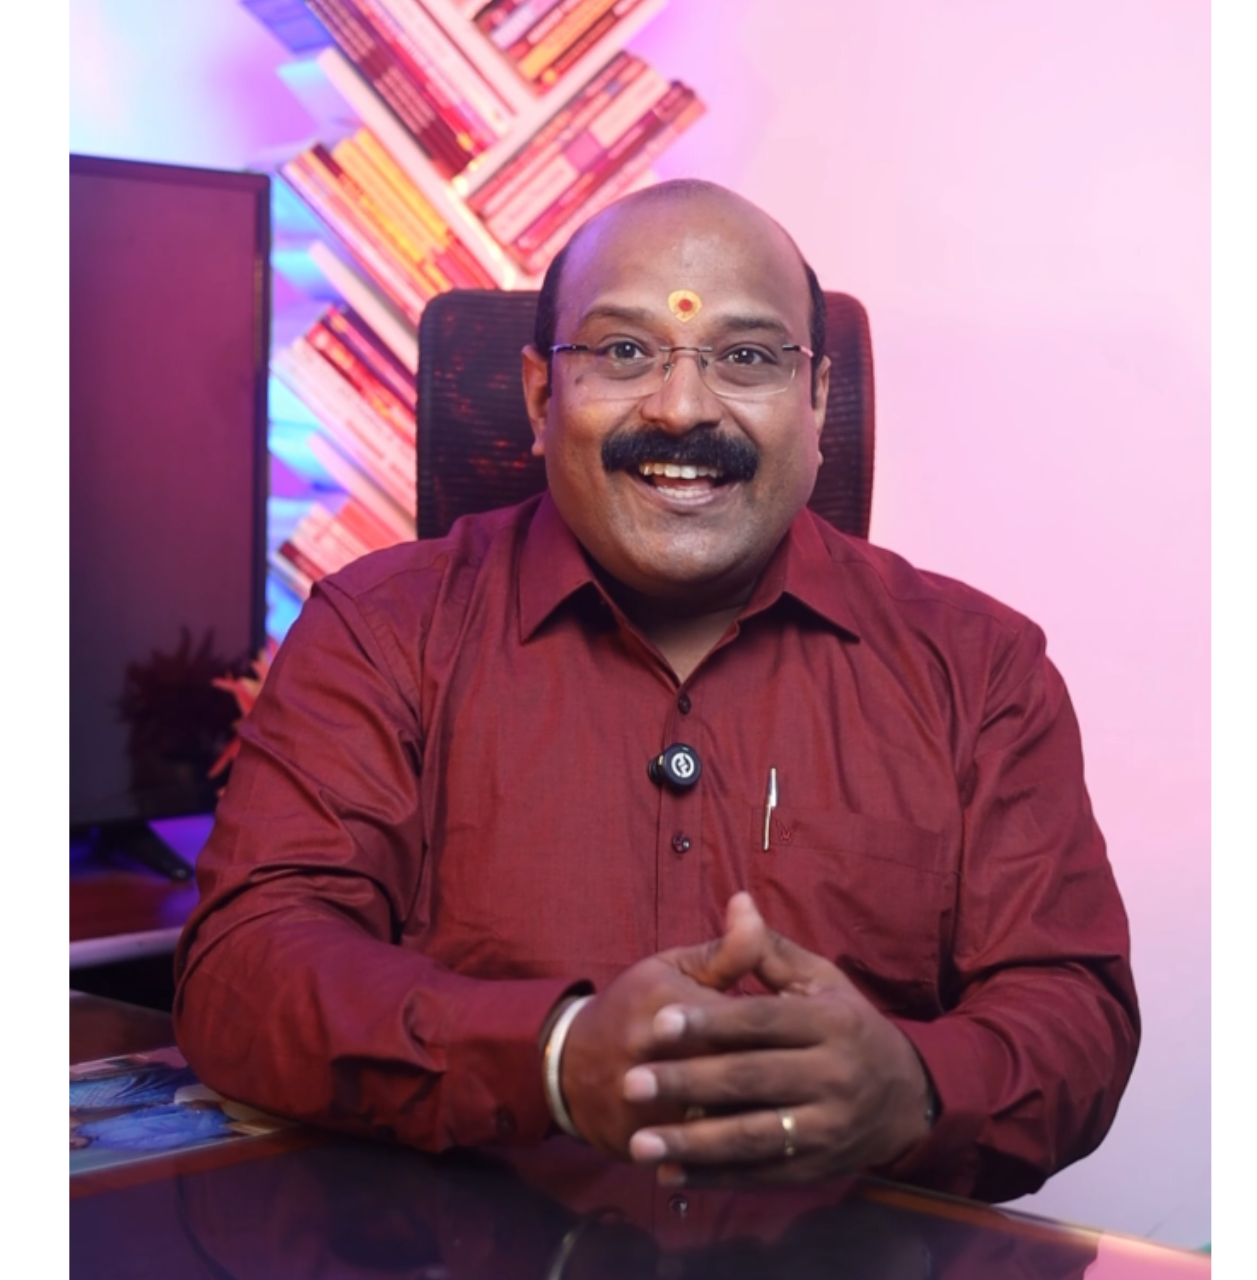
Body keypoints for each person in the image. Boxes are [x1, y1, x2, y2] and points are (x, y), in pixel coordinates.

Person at [173, 179, 1138, 1203]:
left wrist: (913, 1087)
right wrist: (551, 1054)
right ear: (541, 397)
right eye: (625, 351)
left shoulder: (978, 670)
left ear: (817, 402)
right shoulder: (381, 634)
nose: (681, 409)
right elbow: (245, 968)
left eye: (747, 357)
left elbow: (1073, 1012)